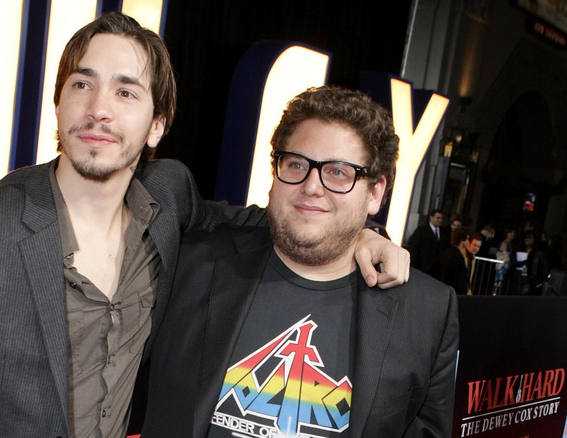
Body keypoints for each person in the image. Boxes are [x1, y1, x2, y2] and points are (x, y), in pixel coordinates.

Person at [0, 13, 409, 438]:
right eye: (82, 85)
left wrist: (365, 231)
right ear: (59, 103)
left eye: (126, 92)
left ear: (157, 125)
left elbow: (268, 219)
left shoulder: (170, 196)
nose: (98, 110)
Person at [140, 87, 458, 437]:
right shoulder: (197, 261)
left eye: (338, 172)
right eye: (296, 164)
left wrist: (364, 231)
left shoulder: (425, 311)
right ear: (275, 172)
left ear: (376, 193)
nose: (311, 186)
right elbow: (158, 183)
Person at [405, 208, 449, 275]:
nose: (439, 220)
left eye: (441, 219)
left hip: (436, 270)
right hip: (422, 266)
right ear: (431, 217)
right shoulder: (421, 231)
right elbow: (414, 248)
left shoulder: (444, 233)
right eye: (437, 218)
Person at [439, 226, 471, 295]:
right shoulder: (457, 255)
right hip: (453, 291)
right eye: (467, 239)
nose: (468, 241)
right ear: (462, 239)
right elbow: (459, 277)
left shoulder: (447, 252)